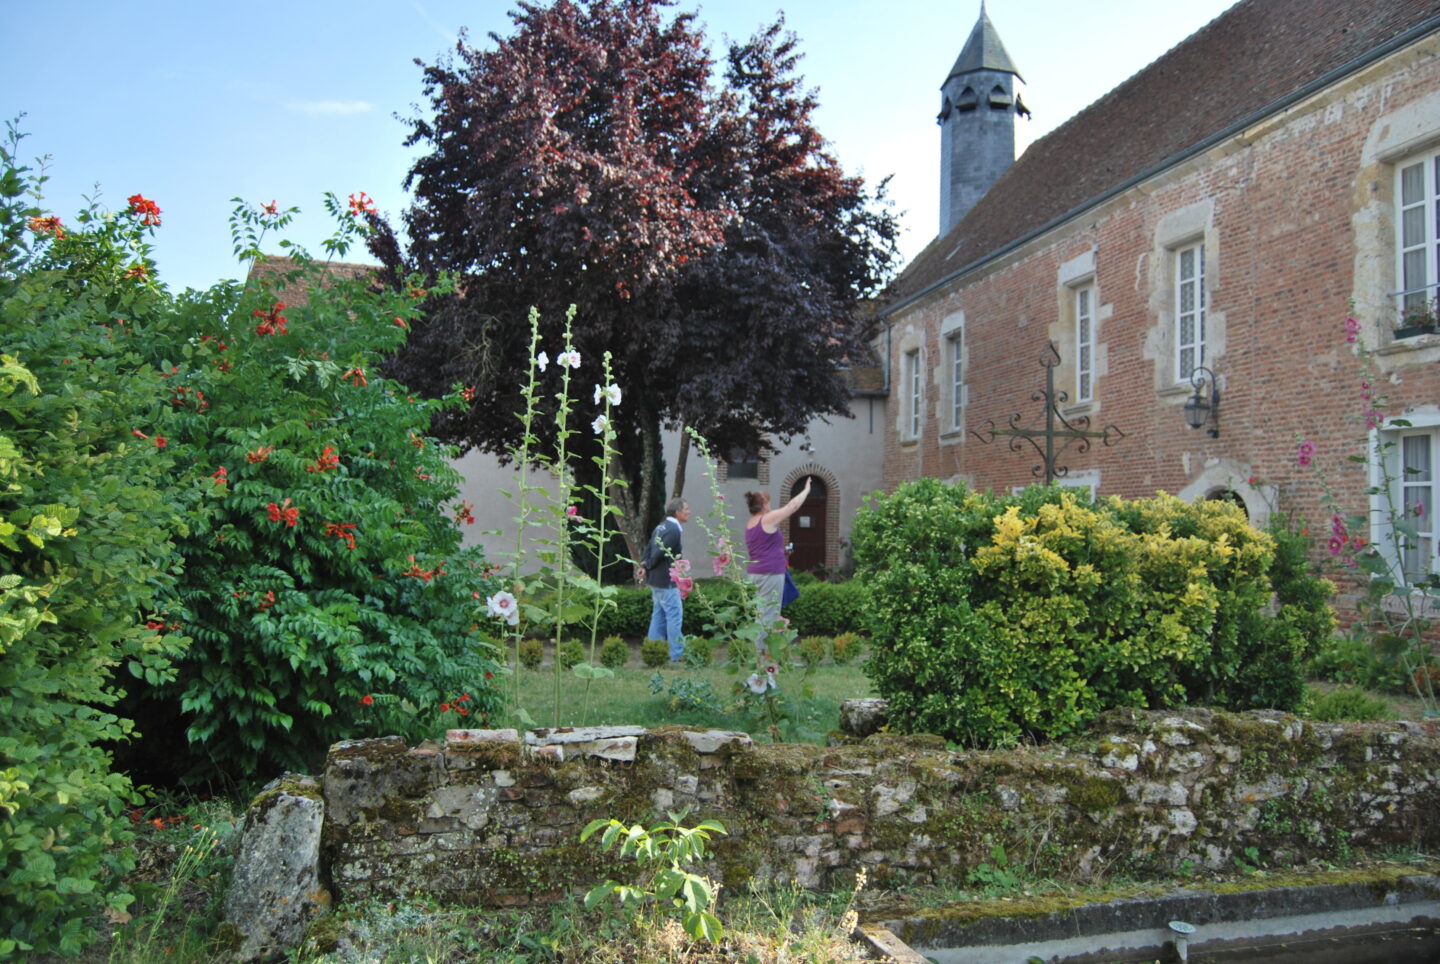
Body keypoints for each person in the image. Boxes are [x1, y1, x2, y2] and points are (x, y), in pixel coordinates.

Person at [744, 478, 811, 643]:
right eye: (769, 502)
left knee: (762, 612)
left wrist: (782, 552)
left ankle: (763, 657)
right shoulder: (766, 518)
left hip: (757, 572)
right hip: (770, 574)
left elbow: (764, 547)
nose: (771, 506)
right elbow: (792, 506)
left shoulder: (751, 523)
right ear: (764, 504)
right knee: (769, 616)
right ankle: (764, 660)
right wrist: (806, 490)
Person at [637, 497, 690, 662]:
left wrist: (644, 566)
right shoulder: (673, 530)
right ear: (678, 512)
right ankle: (676, 654)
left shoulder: (660, 526)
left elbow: (649, 547)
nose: (689, 512)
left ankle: (653, 650)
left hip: (655, 581)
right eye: (686, 509)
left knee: (658, 615)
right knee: (674, 616)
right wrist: (649, 564)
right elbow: (660, 552)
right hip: (667, 581)